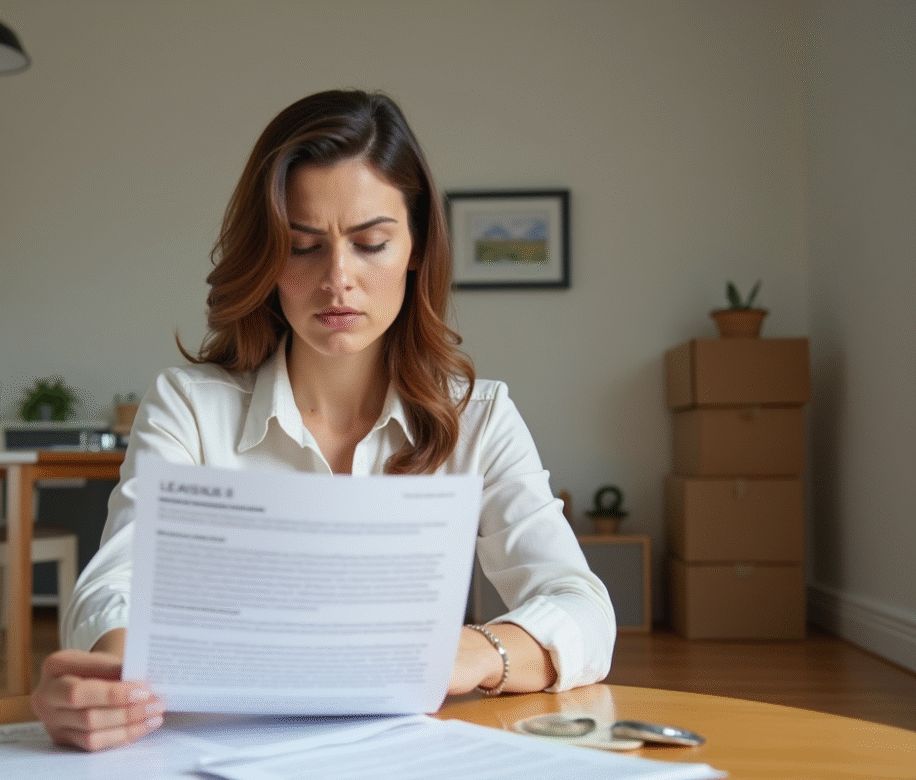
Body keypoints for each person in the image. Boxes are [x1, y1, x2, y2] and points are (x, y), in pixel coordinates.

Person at [31, 89, 615, 751]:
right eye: (303, 247)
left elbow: (581, 608)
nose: (339, 279)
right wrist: (117, 676)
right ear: (267, 258)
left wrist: (471, 653)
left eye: (370, 244)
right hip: (218, 750)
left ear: (417, 247)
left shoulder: (478, 417)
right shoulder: (189, 407)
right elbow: (116, 582)